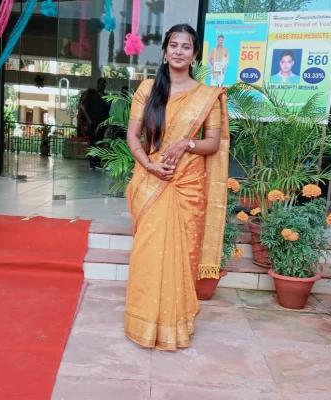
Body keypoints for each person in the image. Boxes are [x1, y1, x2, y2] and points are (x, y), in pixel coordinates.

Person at [125, 24, 230, 351]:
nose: (179, 51)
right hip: (152, 180)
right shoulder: (148, 89)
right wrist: (149, 165)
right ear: (165, 50)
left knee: (180, 257)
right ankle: (142, 322)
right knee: (148, 254)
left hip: (188, 186)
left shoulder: (207, 96)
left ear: (195, 54)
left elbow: (213, 143)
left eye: (186, 46)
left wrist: (186, 143)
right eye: (174, 45)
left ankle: (175, 325)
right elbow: (133, 136)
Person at [79, 78, 110, 169]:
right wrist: (88, 119)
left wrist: (107, 124)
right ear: (97, 85)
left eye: (103, 84)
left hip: (102, 124)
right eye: (99, 84)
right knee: (93, 143)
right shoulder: (92, 96)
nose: (101, 86)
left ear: (105, 86)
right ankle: (92, 162)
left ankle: (97, 162)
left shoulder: (107, 97)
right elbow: (83, 107)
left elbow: (107, 112)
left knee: (100, 143)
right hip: (93, 123)